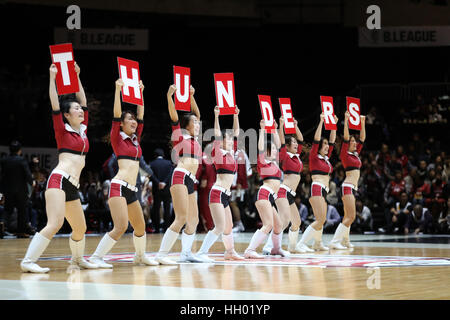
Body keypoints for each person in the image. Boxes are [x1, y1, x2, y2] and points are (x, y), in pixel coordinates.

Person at [20, 62, 98, 273]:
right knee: (54, 223)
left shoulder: (82, 130)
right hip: (59, 179)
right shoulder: (61, 129)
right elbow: (55, 103)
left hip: (72, 185)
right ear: (66, 115)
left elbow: (83, 100)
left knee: (80, 227)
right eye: (75, 109)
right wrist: (52, 78)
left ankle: (78, 259)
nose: (80, 110)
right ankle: (28, 261)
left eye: (80, 110)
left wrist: (77, 76)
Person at [88, 78, 158, 267]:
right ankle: (95, 257)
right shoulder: (117, 138)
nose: (134, 122)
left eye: (134, 120)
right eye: (130, 120)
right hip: (118, 187)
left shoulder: (136, 140)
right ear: (121, 124)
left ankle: (140, 256)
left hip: (132, 189)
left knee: (141, 226)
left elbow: (141, 116)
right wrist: (118, 90)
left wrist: (141, 93)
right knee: (120, 227)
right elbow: (117, 114)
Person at [154, 84, 204, 264]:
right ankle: (161, 255)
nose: (197, 125)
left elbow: (197, 115)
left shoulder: (195, 139)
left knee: (194, 219)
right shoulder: (180, 135)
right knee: (181, 217)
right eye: (194, 123)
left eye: (198, 124)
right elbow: (174, 117)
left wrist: (191, 96)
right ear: (186, 126)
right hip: (180, 176)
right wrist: (170, 96)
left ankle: (186, 253)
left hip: (191, 180)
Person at [196, 106, 244, 261]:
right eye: (227, 139)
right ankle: (202, 253)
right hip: (216, 193)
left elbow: (237, 133)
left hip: (225, 195)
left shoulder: (231, 153)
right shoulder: (217, 152)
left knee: (228, 227)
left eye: (231, 139)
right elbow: (217, 135)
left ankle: (229, 252)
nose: (230, 141)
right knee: (219, 227)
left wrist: (236, 115)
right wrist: (216, 115)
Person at [295, 113, 337, 253]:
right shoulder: (314, 156)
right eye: (323, 145)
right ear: (318, 147)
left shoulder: (326, 158)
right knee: (319, 219)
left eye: (327, 145)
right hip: (317, 188)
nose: (327, 146)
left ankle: (317, 243)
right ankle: (301, 243)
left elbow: (332, 140)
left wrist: (334, 125)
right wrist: (321, 121)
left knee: (322, 219)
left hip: (324, 190)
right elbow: (316, 139)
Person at [263, 116, 304, 254]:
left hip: (291, 194)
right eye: (292, 142)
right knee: (284, 221)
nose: (296, 144)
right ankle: (269, 246)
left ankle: (292, 246)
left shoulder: (297, 156)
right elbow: (280, 143)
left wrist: (295, 125)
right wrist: (281, 125)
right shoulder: (285, 155)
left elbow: (301, 140)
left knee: (296, 222)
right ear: (287, 146)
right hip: (283, 191)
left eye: (295, 142)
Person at [244, 119, 283, 258]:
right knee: (268, 225)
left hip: (271, 197)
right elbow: (260, 148)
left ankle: (276, 249)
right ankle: (250, 250)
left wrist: (275, 130)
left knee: (278, 225)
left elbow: (278, 145)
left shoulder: (274, 163)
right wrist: (262, 129)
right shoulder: (263, 161)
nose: (274, 151)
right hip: (264, 194)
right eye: (271, 149)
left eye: (274, 149)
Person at [329, 111, 366, 249]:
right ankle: (334, 241)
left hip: (352, 187)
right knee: (351, 216)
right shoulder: (345, 154)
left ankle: (345, 240)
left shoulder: (355, 154)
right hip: (347, 186)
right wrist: (345, 119)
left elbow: (362, 138)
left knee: (347, 216)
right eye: (352, 142)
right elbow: (345, 137)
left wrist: (362, 122)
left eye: (354, 142)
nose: (355, 143)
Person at [0, 141, 34, 238]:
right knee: (22, 211)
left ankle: (2, 223)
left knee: (7, 210)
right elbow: (27, 174)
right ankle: (20, 232)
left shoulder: (4, 160)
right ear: (19, 150)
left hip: (7, 190)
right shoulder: (22, 160)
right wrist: (32, 182)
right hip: (20, 191)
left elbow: (2, 175)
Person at [149, 148, 174, 233]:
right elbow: (171, 174)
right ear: (163, 155)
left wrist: (158, 183)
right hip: (167, 189)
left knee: (156, 208)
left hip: (157, 189)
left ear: (155, 155)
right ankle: (166, 228)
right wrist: (164, 183)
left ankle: (156, 228)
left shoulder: (152, 163)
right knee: (167, 208)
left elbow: (151, 175)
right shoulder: (169, 163)